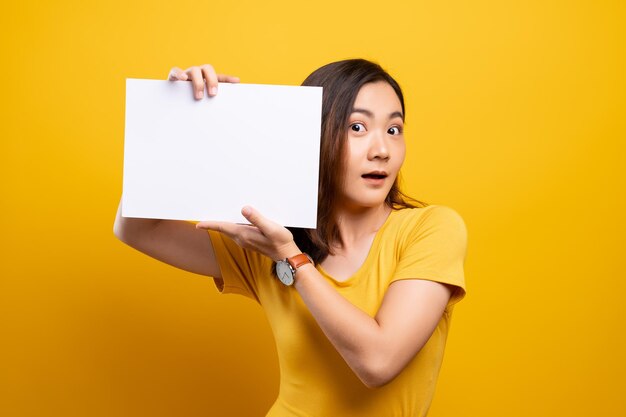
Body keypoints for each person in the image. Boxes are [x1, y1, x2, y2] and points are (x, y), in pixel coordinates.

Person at [113, 59, 468, 416]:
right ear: (309, 136)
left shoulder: (431, 230)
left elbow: (378, 362)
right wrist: (176, 122)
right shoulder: (266, 240)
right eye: (357, 127)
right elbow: (137, 229)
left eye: (394, 129)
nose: (382, 150)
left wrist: (292, 259)